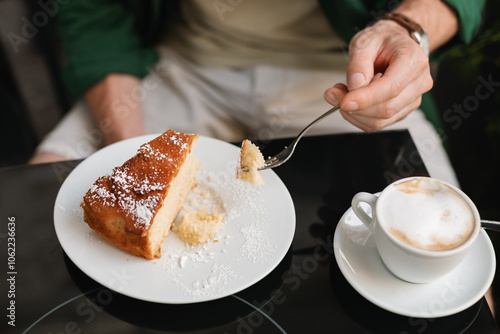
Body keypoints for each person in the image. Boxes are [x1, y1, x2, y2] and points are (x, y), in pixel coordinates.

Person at [29, 0, 485, 187]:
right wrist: (132, 157)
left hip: (345, 73)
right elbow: (94, 12)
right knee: (37, 203)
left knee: (452, 280)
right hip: (182, 62)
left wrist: (404, 26)